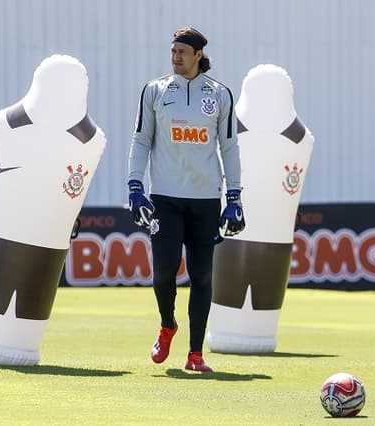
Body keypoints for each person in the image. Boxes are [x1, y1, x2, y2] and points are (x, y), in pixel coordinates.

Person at [127, 27, 245, 373]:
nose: (176, 57)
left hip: (206, 200)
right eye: (173, 51)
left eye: (182, 52)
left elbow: (230, 147)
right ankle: (167, 324)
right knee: (163, 272)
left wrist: (234, 197)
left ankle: (196, 354)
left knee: (202, 276)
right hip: (165, 198)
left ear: (198, 56)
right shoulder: (154, 91)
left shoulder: (220, 94)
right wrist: (135, 187)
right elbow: (140, 140)